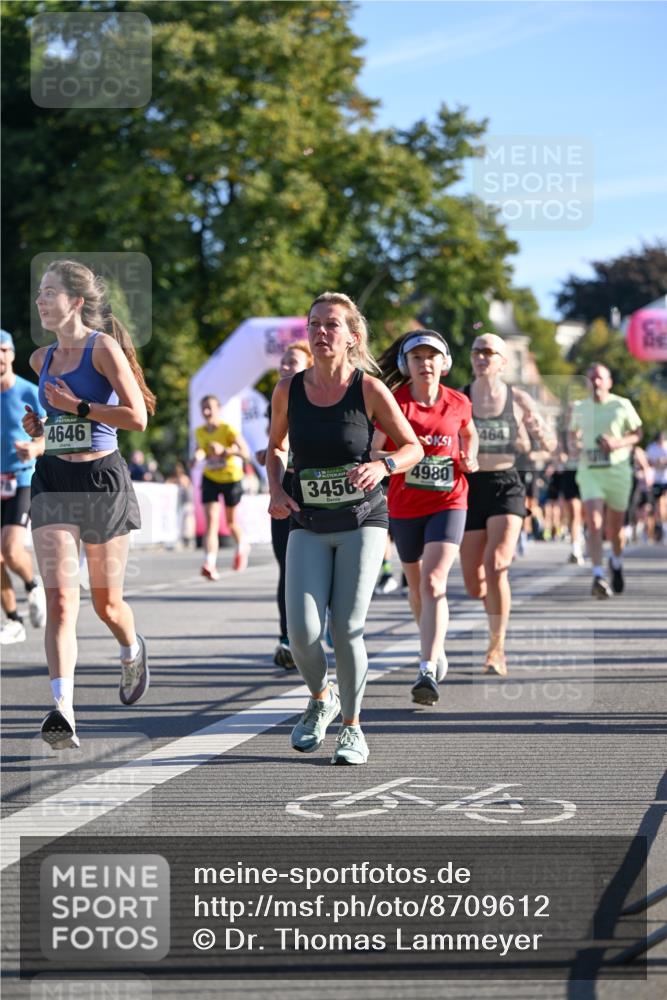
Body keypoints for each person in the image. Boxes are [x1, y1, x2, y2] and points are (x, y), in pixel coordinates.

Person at [267, 292, 422, 765]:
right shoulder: (287, 390)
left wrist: (384, 466)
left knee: (348, 626)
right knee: (302, 633)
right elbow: (276, 447)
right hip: (308, 521)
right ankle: (321, 698)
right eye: (314, 323)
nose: (321, 332)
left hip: (362, 519)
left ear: (352, 336)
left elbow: (413, 447)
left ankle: (352, 728)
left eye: (332, 325)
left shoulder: (370, 390)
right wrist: (275, 488)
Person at [22, 259, 155, 749]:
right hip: (53, 480)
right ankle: (63, 708)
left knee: (107, 604)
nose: (40, 300)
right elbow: (52, 418)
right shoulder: (40, 359)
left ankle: (130, 647)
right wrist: (43, 429)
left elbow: (136, 417)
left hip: (102, 481)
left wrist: (77, 408)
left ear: (76, 302)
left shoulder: (104, 350)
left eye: (50, 292)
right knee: (60, 599)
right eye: (39, 292)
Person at [373, 330, 478, 705]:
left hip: (450, 500)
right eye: (417, 358)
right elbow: (376, 448)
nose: (425, 363)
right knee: (416, 589)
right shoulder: (395, 403)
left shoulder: (459, 402)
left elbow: (469, 432)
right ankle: (434, 643)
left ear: (444, 363)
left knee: (434, 582)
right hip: (405, 505)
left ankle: (426, 668)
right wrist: (383, 464)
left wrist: (471, 456)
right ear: (407, 365)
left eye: (432, 357)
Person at [460, 331, 556, 676]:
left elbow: (547, 440)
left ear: (502, 362)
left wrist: (539, 434)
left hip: (506, 485)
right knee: (474, 583)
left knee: (497, 562)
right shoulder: (460, 398)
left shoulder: (518, 400)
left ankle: (496, 648)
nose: (482, 356)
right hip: (469, 488)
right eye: (477, 351)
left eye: (489, 351)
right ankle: (494, 613)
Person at [255, 340, 314, 668]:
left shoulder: (322, 399)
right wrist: (266, 455)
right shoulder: (279, 398)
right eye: (283, 363)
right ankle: (286, 638)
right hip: (284, 487)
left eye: (293, 362)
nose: (286, 368)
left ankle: (321, 622)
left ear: (308, 365)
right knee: (287, 565)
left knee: (317, 565)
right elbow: (274, 442)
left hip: (313, 488)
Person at [568, 364, 642, 597]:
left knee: (615, 530)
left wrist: (617, 443)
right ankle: (598, 575)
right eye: (591, 378)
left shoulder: (622, 405)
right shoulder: (580, 408)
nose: (596, 382)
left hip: (618, 472)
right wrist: (574, 445)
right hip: (590, 472)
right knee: (594, 523)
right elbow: (572, 435)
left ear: (609, 382)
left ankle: (616, 562)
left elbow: (638, 434)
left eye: (600, 378)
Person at [0, 329, 47, 644]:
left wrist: (35, 448)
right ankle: (13, 620)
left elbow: (51, 434)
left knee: (10, 549)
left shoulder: (30, 392)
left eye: (2, 350)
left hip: (22, 479)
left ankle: (32, 585)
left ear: (12, 354)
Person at [194, 395, 250, 579]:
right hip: (210, 477)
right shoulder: (200, 432)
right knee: (212, 522)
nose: (207, 412)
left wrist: (226, 451)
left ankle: (242, 545)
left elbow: (245, 453)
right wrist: (197, 456)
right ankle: (210, 563)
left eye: (210, 408)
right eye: (204, 408)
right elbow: (199, 449)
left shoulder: (227, 429)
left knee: (231, 522)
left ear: (218, 409)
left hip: (231, 478)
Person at [646, 430, 667, 542]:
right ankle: (659, 528)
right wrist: (656, 463)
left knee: (663, 504)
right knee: (657, 507)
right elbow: (647, 462)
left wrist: (663, 462)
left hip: (666, 479)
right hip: (656, 480)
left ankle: (664, 528)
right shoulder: (652, 448)